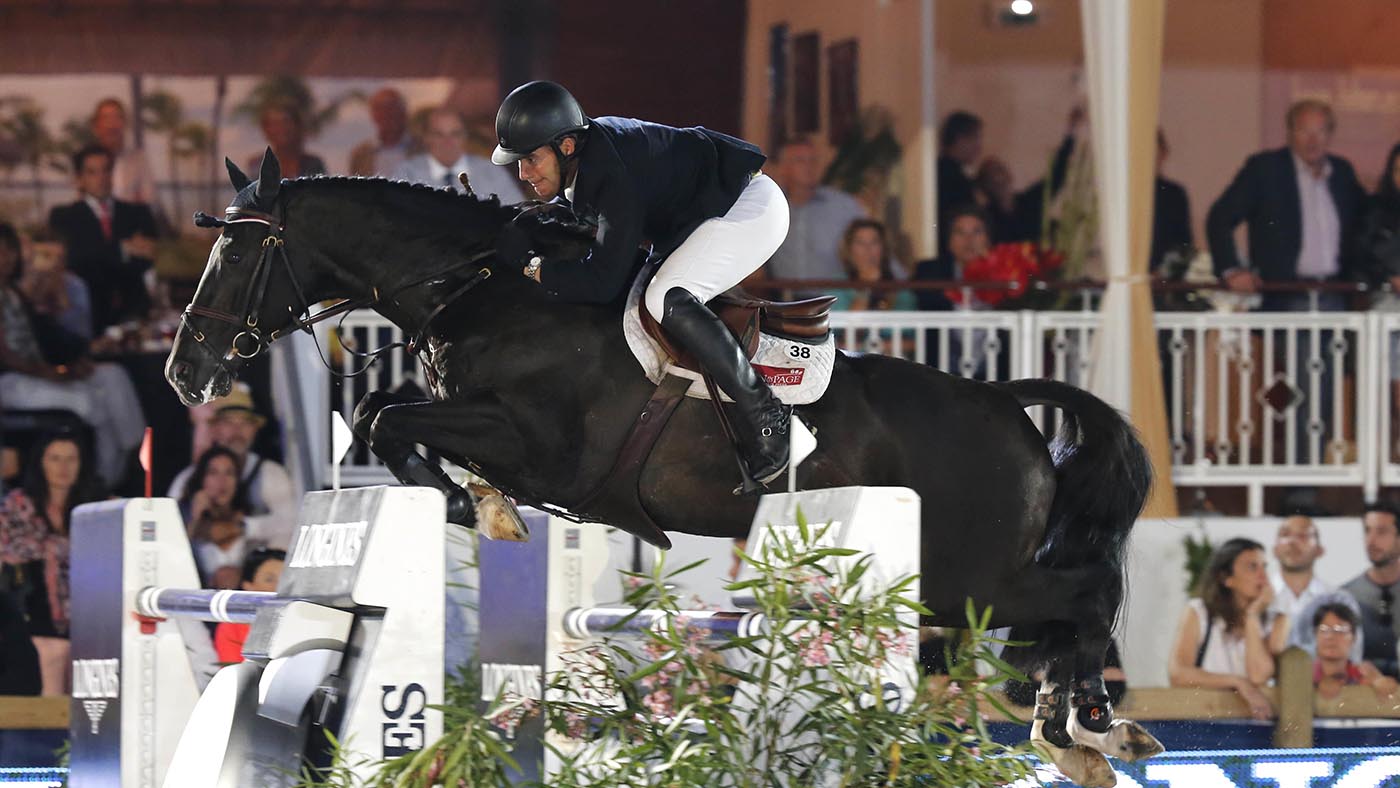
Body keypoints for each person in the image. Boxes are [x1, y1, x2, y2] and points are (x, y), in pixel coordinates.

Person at [491, 81, 791, 486]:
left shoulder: (611, 171)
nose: (523, 173)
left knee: (666, 296)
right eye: (518, 162)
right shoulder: (589, 157)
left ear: (565, 146)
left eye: (530, 159)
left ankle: (765, 416)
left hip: (749, 210)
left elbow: (601, 284)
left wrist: (531, 265)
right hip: (708, 212)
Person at [0, 224, 146, 487]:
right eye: (3, 252)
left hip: (37, 372)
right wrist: (51, 374)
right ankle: (103, 479)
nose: (8, 258)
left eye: (10, 251)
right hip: (11, 382)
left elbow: (47, 337)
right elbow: (6, 355)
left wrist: (72, 365)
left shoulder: (13, 293)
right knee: (89, 403)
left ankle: (132, 454)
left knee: (114, 376)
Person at [1207, 99, 1367, 310]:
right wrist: (1231, 270)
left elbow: (1367, 220)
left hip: (1335, 294)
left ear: (1330, 135)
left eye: (1320, 131)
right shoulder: (1266, 169)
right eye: (1304, 131)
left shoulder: (1342, 171)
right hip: (1285, 294)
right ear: (1289, 133)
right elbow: (1220, 218)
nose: (1313, 140)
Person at [0, 431, 106, 695]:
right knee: (51, 656)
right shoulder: (16, 507)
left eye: (71, 459)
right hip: (31, 614)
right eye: (55, 458)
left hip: (91, 614)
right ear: (40, 463)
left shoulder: (97, 508)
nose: (63, 467)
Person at [1168, 538, 1288, 720]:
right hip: (1206, 720)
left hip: (1260, 725)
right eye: (1252, 567)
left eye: (1264, 566)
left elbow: (1258, 676)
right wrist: (1237, 682)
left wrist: (1252, 616)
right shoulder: (1199, 612)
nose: (1263, 576)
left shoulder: (1277, 619)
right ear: (1227, 578)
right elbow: (1178, 674)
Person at [168, 384, 296, 550]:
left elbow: (292, 521)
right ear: (214, 429)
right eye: (228, 423)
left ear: (255, 430)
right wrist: (196, 520)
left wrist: (241, 527)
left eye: (245, 423)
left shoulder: (271, 474)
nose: (237, 432)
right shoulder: (187, 479)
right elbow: (167, 530)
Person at [47, 144, 159, 333]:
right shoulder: (63, 217)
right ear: (79, 179)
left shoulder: (138, 214)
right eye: (92, 172)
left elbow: (147, 257)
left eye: (106, 170)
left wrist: (99, 253)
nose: (102, 178)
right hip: (89, 315)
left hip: (134, 313)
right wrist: (123, 250)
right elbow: (75, 259)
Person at [763, 136, 868, 289]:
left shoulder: (844, 206)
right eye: (801, 161)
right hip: (782, 302)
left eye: (813, 161)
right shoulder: (769, 206)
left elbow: (873, 246)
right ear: (783, 168)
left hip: (836, 301)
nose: (809, 167)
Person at [392, 106, 521, 201]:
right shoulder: (407, 173)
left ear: (465, 136)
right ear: (426, 137)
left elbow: (517, 213)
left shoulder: (491, 172)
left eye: (455, 134)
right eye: (439, 135)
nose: (448, 142)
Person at [178, 446, 252, 584]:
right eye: (213, 473)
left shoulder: (249, 515)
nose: (222, 481)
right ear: (201, 479)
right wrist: (195, 518)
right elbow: (174, 558)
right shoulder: (183, 515)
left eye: (229, 473)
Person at [1343, 502, 1400, 678]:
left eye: (1381, 532)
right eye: (1367, 531)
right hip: (1362, 695)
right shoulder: (1346, 596)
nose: (1371, 540)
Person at [1310, 602, 1398, 700]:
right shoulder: (1302, 674)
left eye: (1340, 630)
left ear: (1354, 638)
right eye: (1324, 629)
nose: (1331, 636)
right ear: (1315, 635)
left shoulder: (1363, 675)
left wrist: (1381, 685)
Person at [212, 548, 284, 663]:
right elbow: (235, 672)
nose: (280, 586)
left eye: (285, 578)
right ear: (248, 586)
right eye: (269, 579)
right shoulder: (232, 626)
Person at [831, 219, 915, 312]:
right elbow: (847, 325)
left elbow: (904, 323)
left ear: (884, 249)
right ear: (849, 249)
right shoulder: (837, 285)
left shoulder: (900, 288)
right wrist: (867, 288)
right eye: (860, 242)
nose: (868, 249)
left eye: (874, 242)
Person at [90, 98, 157, 206]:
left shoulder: (138, 160)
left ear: (125, 124)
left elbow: (148, 200)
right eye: (106, 118)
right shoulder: (88, 162)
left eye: (117, 118)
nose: (111, 124)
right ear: (96, 126)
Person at [937, 111, 983, 254]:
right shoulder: (950, 176)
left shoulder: (954, 173)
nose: (978, 147)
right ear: (960, 139)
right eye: (975, 138)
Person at [247, 102, 326, 180]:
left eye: (286, 122)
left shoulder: (313, 165)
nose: (281, 128)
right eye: (275, 124)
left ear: (297, 126)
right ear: (266, 130)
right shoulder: (257, 165)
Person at [349, 87, 412, 177]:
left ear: (404, 113)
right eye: (380, 109)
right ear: (373, 116)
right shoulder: (361, 155)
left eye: (392, 108)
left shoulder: (423, 151)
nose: (387, 114)